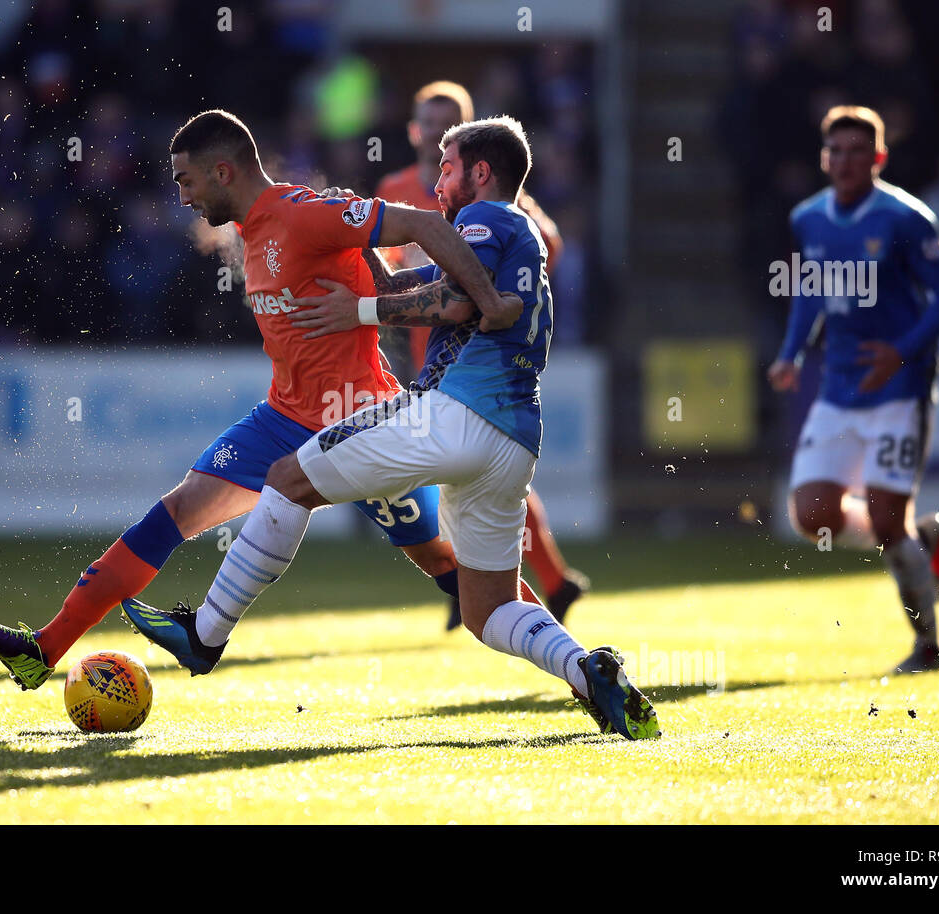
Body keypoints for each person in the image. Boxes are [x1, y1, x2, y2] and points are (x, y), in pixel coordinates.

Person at [123, 116, 661, 740]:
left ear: (482, 174)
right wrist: (356, 250)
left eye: (449, 166)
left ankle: (203, 635)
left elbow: (457, 303)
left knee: (287, 477)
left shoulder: (485, 220)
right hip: (512, 442)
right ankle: (587, 669)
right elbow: (433, 285)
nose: (438, 179)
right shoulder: (519, 234)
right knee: (487, 609)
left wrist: (357, 308)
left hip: (454, 415)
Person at [0, 109, 533, 690]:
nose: (182, 196)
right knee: (176, 513)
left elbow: (424, 226)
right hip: (282, 418)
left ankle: (573, 666)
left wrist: (488, 300)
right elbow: (368, 273)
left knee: (454, 567)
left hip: (358, 419)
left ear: (223, 171)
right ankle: (44, 647)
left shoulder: (303, 213)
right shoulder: (253, 228)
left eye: (187, 181)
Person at [375, 79, 588, 629]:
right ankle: (526, 584)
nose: (431, 130)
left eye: (447, 117)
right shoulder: (396, 186)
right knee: (473, 476)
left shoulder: (487, 197)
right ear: (413, 128)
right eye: (427, 117)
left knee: (479, 475)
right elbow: (388, 265)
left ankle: (500, 581)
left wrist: (501, 294)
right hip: (424, 345)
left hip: (478, 351)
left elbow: (546, 246)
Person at [767, 106, 939, 674]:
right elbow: (810, 289)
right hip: (838, 386)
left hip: (900, 386)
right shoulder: (808, 217)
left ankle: (928, 647)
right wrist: (792, 353)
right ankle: (920, 540)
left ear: (879, 158)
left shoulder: (905, 218)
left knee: (884, 520)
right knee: (812, 515)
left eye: (858, 151)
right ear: (824, 157)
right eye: (836, 151)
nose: (845, 161)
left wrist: (902, 350)